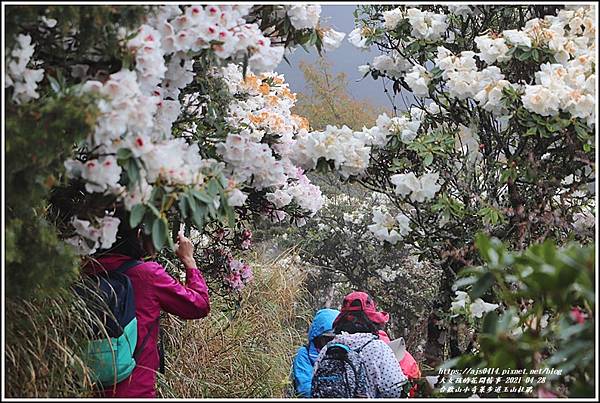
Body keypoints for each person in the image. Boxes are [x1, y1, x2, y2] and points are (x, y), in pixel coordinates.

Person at [86, 215, 210, 398]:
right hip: (135, 387)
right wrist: (189, 260)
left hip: (87, 384)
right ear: (136, 235)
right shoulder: (147, 274)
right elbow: (199, 305)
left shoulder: (84, 271)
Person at [312, 291, 408, 398]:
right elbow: (393, 390)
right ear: (372, 320)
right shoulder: (378, 348)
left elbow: (314, 383)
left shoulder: (328, 348)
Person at [291, 308, 340, 397]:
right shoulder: (305, 354)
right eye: (327, 339)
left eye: (334, 339)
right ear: (317, 337)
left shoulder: (344, 354)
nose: (330, 343)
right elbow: (305, 388)